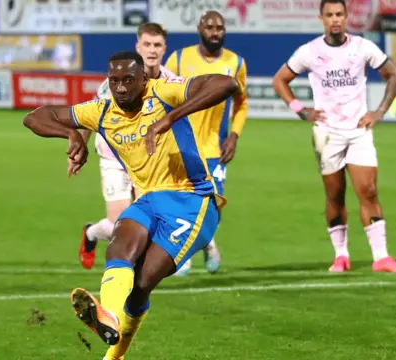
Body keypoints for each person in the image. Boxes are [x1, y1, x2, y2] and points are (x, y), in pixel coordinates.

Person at [23, 51, 239, 360]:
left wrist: (170, 117)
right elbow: (34, 117)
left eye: (128, 80)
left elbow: (226, 83)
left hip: (193, 202)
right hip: (148, 201)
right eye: (114, 81)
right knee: (118, 247)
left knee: (143, 283)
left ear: (144, 79)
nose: (121, 88)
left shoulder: (163, 91)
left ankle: (113, 356)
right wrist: (71, 133)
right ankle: (107, 315)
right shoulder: (102, 111)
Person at [272, 0, 396, 273]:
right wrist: (301, 110)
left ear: (347, 17)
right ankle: (341, 255)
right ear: (321, 18)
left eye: (339, 14)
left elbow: (394, 75)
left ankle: (381, 257)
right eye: (329, 15)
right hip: (327, 133)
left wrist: (379, 111)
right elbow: (280, 80)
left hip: (359, 131)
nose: (334, 20)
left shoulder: (362, 48)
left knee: (369, 191)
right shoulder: (309, 52)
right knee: (334, 195)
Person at [76, 23, 176, 270]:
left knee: (147, 224)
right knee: (117, 225)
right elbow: (92, 114)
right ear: (137, 46)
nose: (151, 50)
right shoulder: (117, 81)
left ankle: (132, 274)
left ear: (165, 49)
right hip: (115, 158)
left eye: (157, 45)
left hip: (149, 162)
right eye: (147, 44)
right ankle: (91, 234)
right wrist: (79, 146)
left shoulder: (170, 82)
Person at [164, 10, 248, 276]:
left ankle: (208, 242)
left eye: (220, 27)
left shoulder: (235, 63)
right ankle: (186, 254)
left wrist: (234, 135)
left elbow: (242, 103)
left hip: (215, 148)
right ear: (200, 28)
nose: (215, 32)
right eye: (210, 27)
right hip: (181, 146)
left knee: (212, 206)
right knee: (181, 201)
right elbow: (165, 98)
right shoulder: (178, 59)